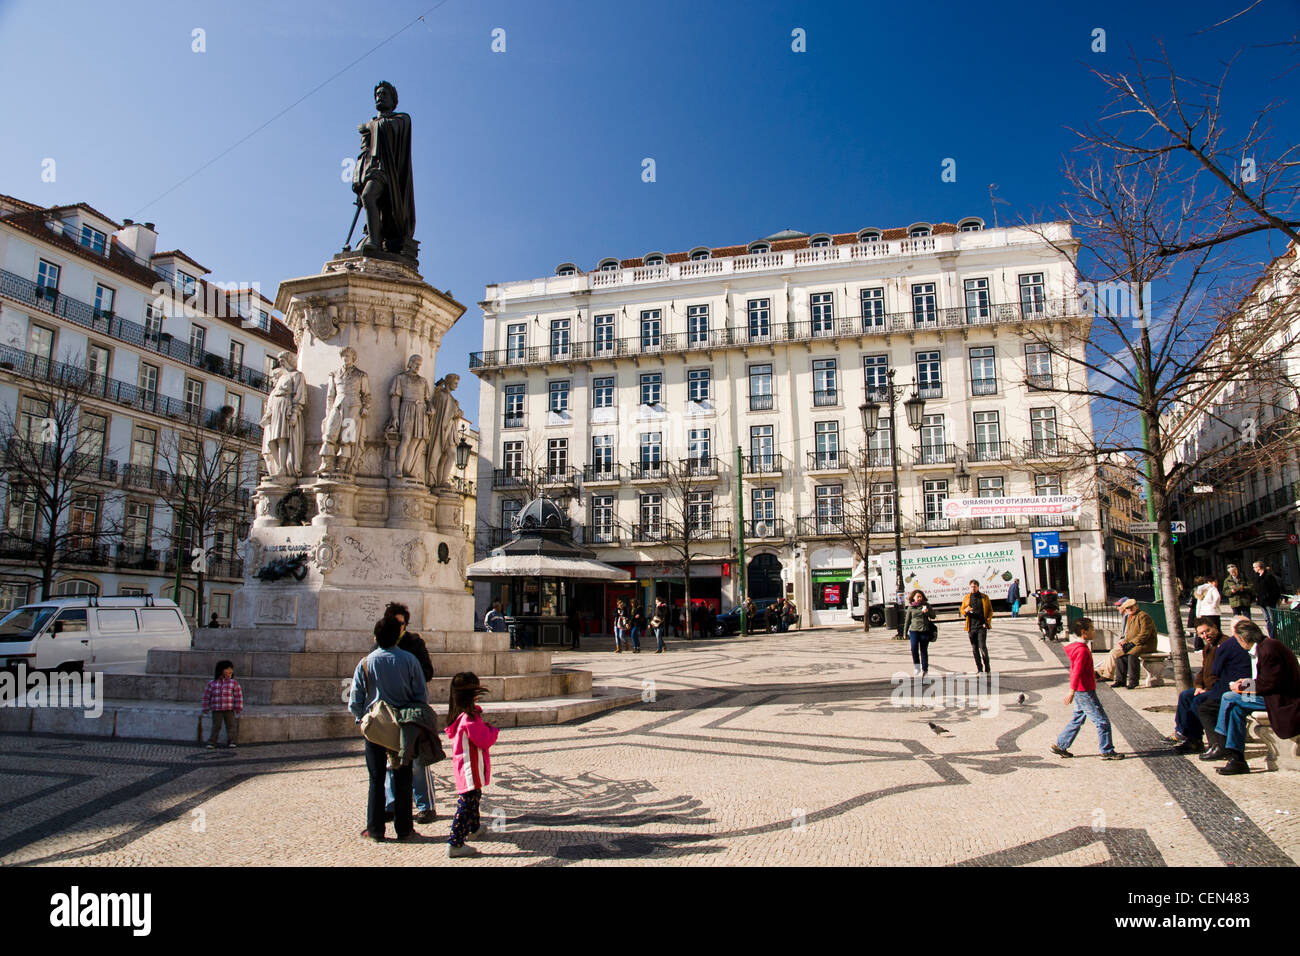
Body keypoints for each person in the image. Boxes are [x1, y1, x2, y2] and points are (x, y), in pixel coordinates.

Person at [348, 616, 427, 842]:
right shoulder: (410, 661)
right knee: (403, 778)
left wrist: (362, 720)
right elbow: (421, 695)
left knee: (376, 778)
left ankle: (375, 830)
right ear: (397, 636)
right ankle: (404, 829)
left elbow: (355, 701)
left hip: (375, 728)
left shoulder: (365, 662)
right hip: (403, 727)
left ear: (376, 637)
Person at [1212, 618, 1300, 775]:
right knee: (1236, 709)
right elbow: (1266, 680)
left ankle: (1220, 740)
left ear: (1243, 639)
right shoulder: (1266, 647)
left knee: (1229, 697)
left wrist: (1242, 686)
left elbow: (1269, 684)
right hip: (1272, 695)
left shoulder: (1269, 650)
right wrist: (1246, 683)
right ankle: (1237, 758)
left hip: (1283, 700)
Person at [380, 604, 436, 824]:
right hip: (389, 710)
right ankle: (391, 804)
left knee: (418, 759)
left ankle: (425, 805)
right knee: (390, 758)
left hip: (412, 708)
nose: (399, 628)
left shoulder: (414, 643)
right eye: (395, 624)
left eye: (402, 624)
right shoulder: (380, 646)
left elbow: (428, 673)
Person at [1051, 617, 1124, 760]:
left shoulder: (1079, 648)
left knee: (1077, 718)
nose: (1094, 631)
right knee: (1102, 721)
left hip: (1082, 689)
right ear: (1084, 632)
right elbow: (1076, 671)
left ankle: (1061, 745)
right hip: (1084, 691)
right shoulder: (1082, 650)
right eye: (1091, 628)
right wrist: (1072, 691)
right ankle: (1107, 750)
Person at [445, 672, 499, 858]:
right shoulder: (470, 718)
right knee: (468, 801)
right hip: (471, 766)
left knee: (474, 796)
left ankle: (474, 828)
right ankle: (455, 842)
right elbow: (483, 740)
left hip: (463, 765)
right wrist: (492, 730)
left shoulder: (457, 714)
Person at [1170, 618, 1226, 754]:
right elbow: (1203, 671)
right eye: (1201, 633)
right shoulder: (1207, 647)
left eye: (1207, 631)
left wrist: (1207, 689)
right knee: (1185, 696)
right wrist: (1199, 685)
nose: (1205, 635)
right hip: (1207, 687)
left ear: (1215, 628)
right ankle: (1188, 736)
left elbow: (1221, 673)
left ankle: (1194, 737)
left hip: (1218, 688)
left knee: (1197, 702)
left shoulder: (1223, 644)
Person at [1114, 598, 1157, 689]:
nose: (1129, 609)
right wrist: (1124, 642)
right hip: (1136, 643)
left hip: (1146, 644)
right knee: (1119, 655)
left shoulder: (1143, 616)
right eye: (1127, 608)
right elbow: (1129, 634)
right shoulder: (1130, 617)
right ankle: (1120, 680)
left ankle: (1133, 681)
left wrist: (1132, 643)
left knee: (1132, 654)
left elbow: (1145, 634)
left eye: (1131, 607)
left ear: (1136, 606)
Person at [201, 660, 243, 749]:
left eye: (231, 669)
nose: (230, 671)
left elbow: (238, 696)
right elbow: (206, 696)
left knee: (231, 726)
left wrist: (238, 707)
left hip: (229, 708)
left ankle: (232, 740)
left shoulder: (233, 683)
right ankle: (212, 742)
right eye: (227, 669)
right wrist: (205, 707)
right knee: (216, 726)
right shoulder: (212, 683)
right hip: (216, 709)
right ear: (221, 670)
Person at [959, 579, 994, 674]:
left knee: (982, 647)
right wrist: (965, 611)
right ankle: (979, 668)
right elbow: (962, 610)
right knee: (974, 649)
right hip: (971, 626)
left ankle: (987, 668)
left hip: (981, 626)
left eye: (974, 587)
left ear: (978, 587)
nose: (973, 588)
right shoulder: (966, 598)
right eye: (971, 587)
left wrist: (987, 622)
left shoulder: (984, 597)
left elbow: (990, 610)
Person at [904, 589, 937, 678]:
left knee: (923, 651)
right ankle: (917, 666)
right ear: (913, 598)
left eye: (920, 596)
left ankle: (925, 671)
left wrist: (927, 612)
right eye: (917, 597)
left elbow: (933, 616)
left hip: (924, 630)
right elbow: (907, 621)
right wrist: (905, 633)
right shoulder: (911, 607)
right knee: (914, 648)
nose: (919, 598)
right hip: (914, 631)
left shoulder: (926, 605)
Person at [1253, 560, 1283, 640]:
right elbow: (1257, 588)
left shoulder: (1268, 576)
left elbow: (1275, 589)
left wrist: (1272, 598)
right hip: (1262, 602)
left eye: (1255, 567)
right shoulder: (1257, 576)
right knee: (1267, 619)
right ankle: (1271, 635)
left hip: (1269, 601)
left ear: (1259, 567)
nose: (1254, 569)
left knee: (1272, 619)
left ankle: (1274, 636)